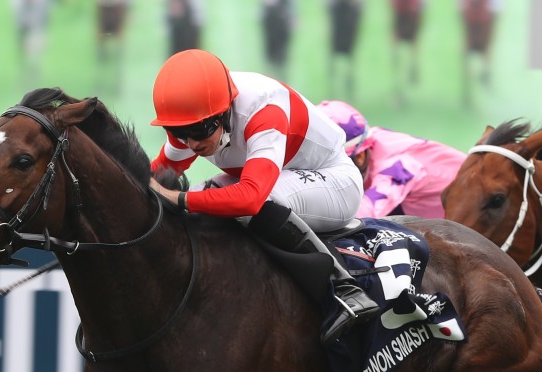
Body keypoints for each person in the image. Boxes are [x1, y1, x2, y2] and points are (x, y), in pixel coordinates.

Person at [147, 49, 378, 345]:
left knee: (255, 201)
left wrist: (180, 198)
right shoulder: (193, 116)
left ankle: (344, 290)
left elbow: (251, 198)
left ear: (224, 111)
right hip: (277, 178)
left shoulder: (263, 108)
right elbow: (154, 177)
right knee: (208, 194)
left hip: (334, 180)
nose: (191, 143)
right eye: (179, 133)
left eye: (199, 130)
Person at [319, 100, 466, 219]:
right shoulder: (367, 140)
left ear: (360, 156)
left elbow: (361, 215)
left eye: (327, 165)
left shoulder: (397, 165)